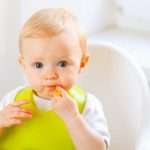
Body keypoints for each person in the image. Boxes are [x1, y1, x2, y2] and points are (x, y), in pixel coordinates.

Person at [0, 8, 110, 150]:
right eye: (38, 65)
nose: (50, 74)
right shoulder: (12, 100)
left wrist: (73, 118)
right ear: (24, 65)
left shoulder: (88, 106)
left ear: (82, 64)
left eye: (62, 64)